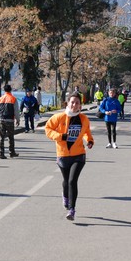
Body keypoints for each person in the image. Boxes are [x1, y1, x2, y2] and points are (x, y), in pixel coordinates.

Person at [45, 91, 94, 221]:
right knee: (66, 182)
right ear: (68, 103)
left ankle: (72, 210)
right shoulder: (59, 117)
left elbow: (86, 131)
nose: (74, 104)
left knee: (72, 181)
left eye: (77, 103)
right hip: (63, 155)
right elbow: (48, 129)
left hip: (79, 155)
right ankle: (65, 197)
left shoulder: (84, 119)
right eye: (72, 102)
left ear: (80, 105)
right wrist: (60, 136)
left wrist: (89, 140)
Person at [0, 84, 20, 159]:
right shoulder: (13, 98)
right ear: (10, 90)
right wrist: (17, 119)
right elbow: (16, 111)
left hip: (1, 119)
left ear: (4, 90)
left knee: (1, 137)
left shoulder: (0, 99)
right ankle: (11, 152)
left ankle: (1, 153)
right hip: (9, 120)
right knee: (11, 137)